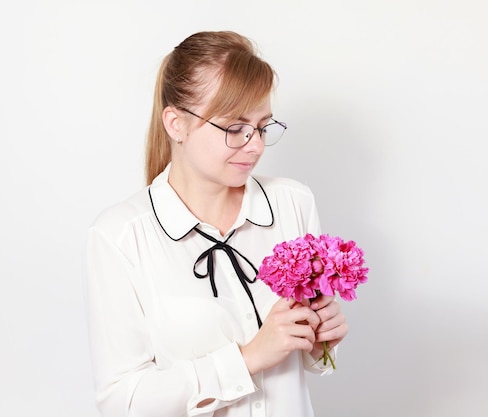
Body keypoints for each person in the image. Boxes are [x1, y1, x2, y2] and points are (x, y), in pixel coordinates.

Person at [84, 31, 348, 417]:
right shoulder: (121, 236)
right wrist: (247, 359)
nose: (255, 144)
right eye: (234, 127)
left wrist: (322, 337)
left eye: (262, 126)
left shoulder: (293, 202)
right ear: (176, 124)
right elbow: (121, 402)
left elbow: (313, 362)